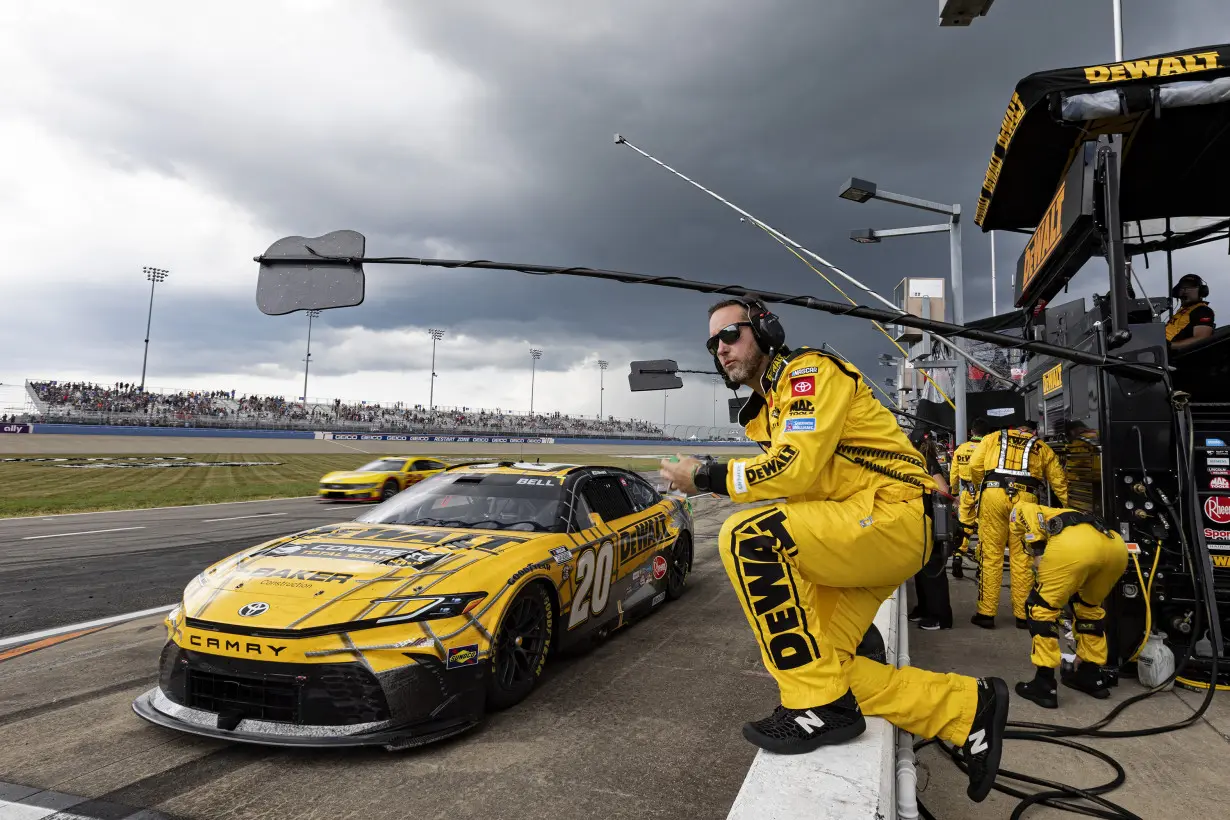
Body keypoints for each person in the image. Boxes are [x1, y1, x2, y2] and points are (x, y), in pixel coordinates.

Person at [659, 297, 1009, 804]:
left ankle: (815, 707)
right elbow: (802, 483)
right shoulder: (768, 407)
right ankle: (964, 708)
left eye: (730, 335)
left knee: (747, 536)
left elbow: (793, 469)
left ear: (765, 329)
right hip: (862, 530)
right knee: (826, 666)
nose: (720, 349)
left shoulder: (807, 374)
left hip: (888, 515)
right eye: (712, 343)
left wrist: (708, 475)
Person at [1008, 500, 1128, 708]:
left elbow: (1025, 514)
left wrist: (1037, 551)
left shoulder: (1019, 509)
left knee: (1041, 607)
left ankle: (1044, 684)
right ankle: (1091, 675)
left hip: (1076, 546)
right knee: (1088, 607)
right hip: (1115, 547)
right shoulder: (1063, 512)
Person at [968, 418, 1068, 630]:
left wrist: (982, 487)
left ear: (1013, 429)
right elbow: (1059, 481)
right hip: (1026, 499)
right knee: (1023, 557)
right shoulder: (1041, 446)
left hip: (993, 495)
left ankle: (986, 613)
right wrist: (1073, 511)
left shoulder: (993, 438)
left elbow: (974, 466)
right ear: (1032, 431)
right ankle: (1023, 615)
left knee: (991, 555)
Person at [908, 431, 954, 630]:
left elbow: (943, 489)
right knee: (921, 567)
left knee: (932, 568)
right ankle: (925, 609)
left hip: (932, 522)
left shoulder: (926, 461)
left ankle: (940, 617)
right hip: (922, 521)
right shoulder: (919, 461)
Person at [949, 417, 991, 579]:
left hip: (966, 492)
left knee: (964, 526)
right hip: (985, 492)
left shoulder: (961, 449)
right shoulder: (988, 448)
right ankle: (982, 565)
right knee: (983, 528)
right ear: (987, 433)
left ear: (972, 432)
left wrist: (953, 494)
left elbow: (953, 475)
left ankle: (958, 557)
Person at [1165, 274, 1215, 351]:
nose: (1185, 290)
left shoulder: (1203, 311)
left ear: (1201, 291)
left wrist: (1170, 346)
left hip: (1172, 357)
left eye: (1190, 287)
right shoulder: (1181, 312)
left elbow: (1202, 339)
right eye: (1182, 287)